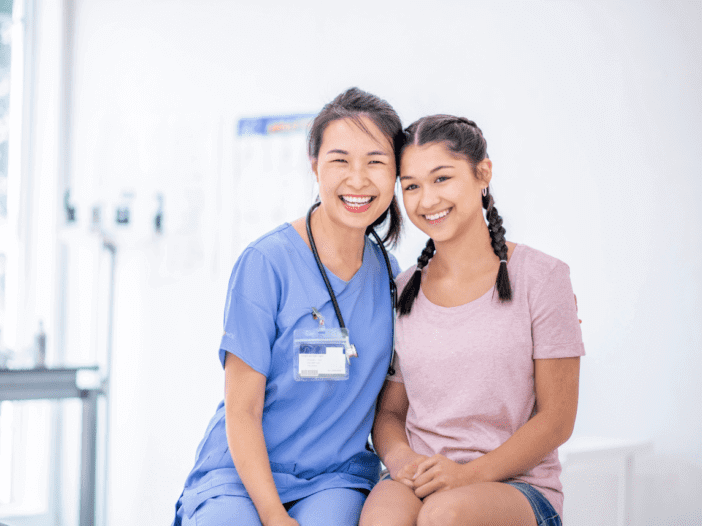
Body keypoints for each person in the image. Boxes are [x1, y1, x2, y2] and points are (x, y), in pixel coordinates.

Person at [172, 87, 404, 526]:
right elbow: (241, 410)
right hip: (239, 474)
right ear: (315, 166)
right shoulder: (266, 264)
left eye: (376, 161)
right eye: (340, 160)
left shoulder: (391, 277)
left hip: (333, 478)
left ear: (395, 173)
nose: (358, 179)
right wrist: (273, 515)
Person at [360, 115, 584, 526]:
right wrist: (403, 459)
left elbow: (557, 419)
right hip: (424, 478)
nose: (426, 200)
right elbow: (390, 413)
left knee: (445, 516)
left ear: (483, 173)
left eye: (442, 178)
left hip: (518, 486)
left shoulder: (543, 278)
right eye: (411, 186)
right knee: (382, 519)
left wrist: (465, 476)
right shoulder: (403, 288)